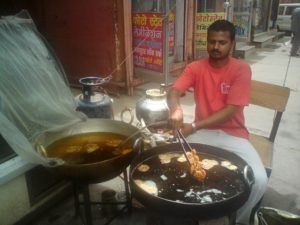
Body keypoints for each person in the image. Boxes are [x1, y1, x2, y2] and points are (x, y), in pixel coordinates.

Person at [167, 20, 268, 225]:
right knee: (174, 166)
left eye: (222, 42)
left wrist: (193, 126)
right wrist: (176, 109)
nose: (215, 47)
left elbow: (230, 111)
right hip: (203, 133)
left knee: (258, 180)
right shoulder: (195, 67)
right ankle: (195, 211)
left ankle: (236, 220)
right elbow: (173, 91)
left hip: (234, 135)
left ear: (232, 44)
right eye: (212, 42)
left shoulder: (241, 69)